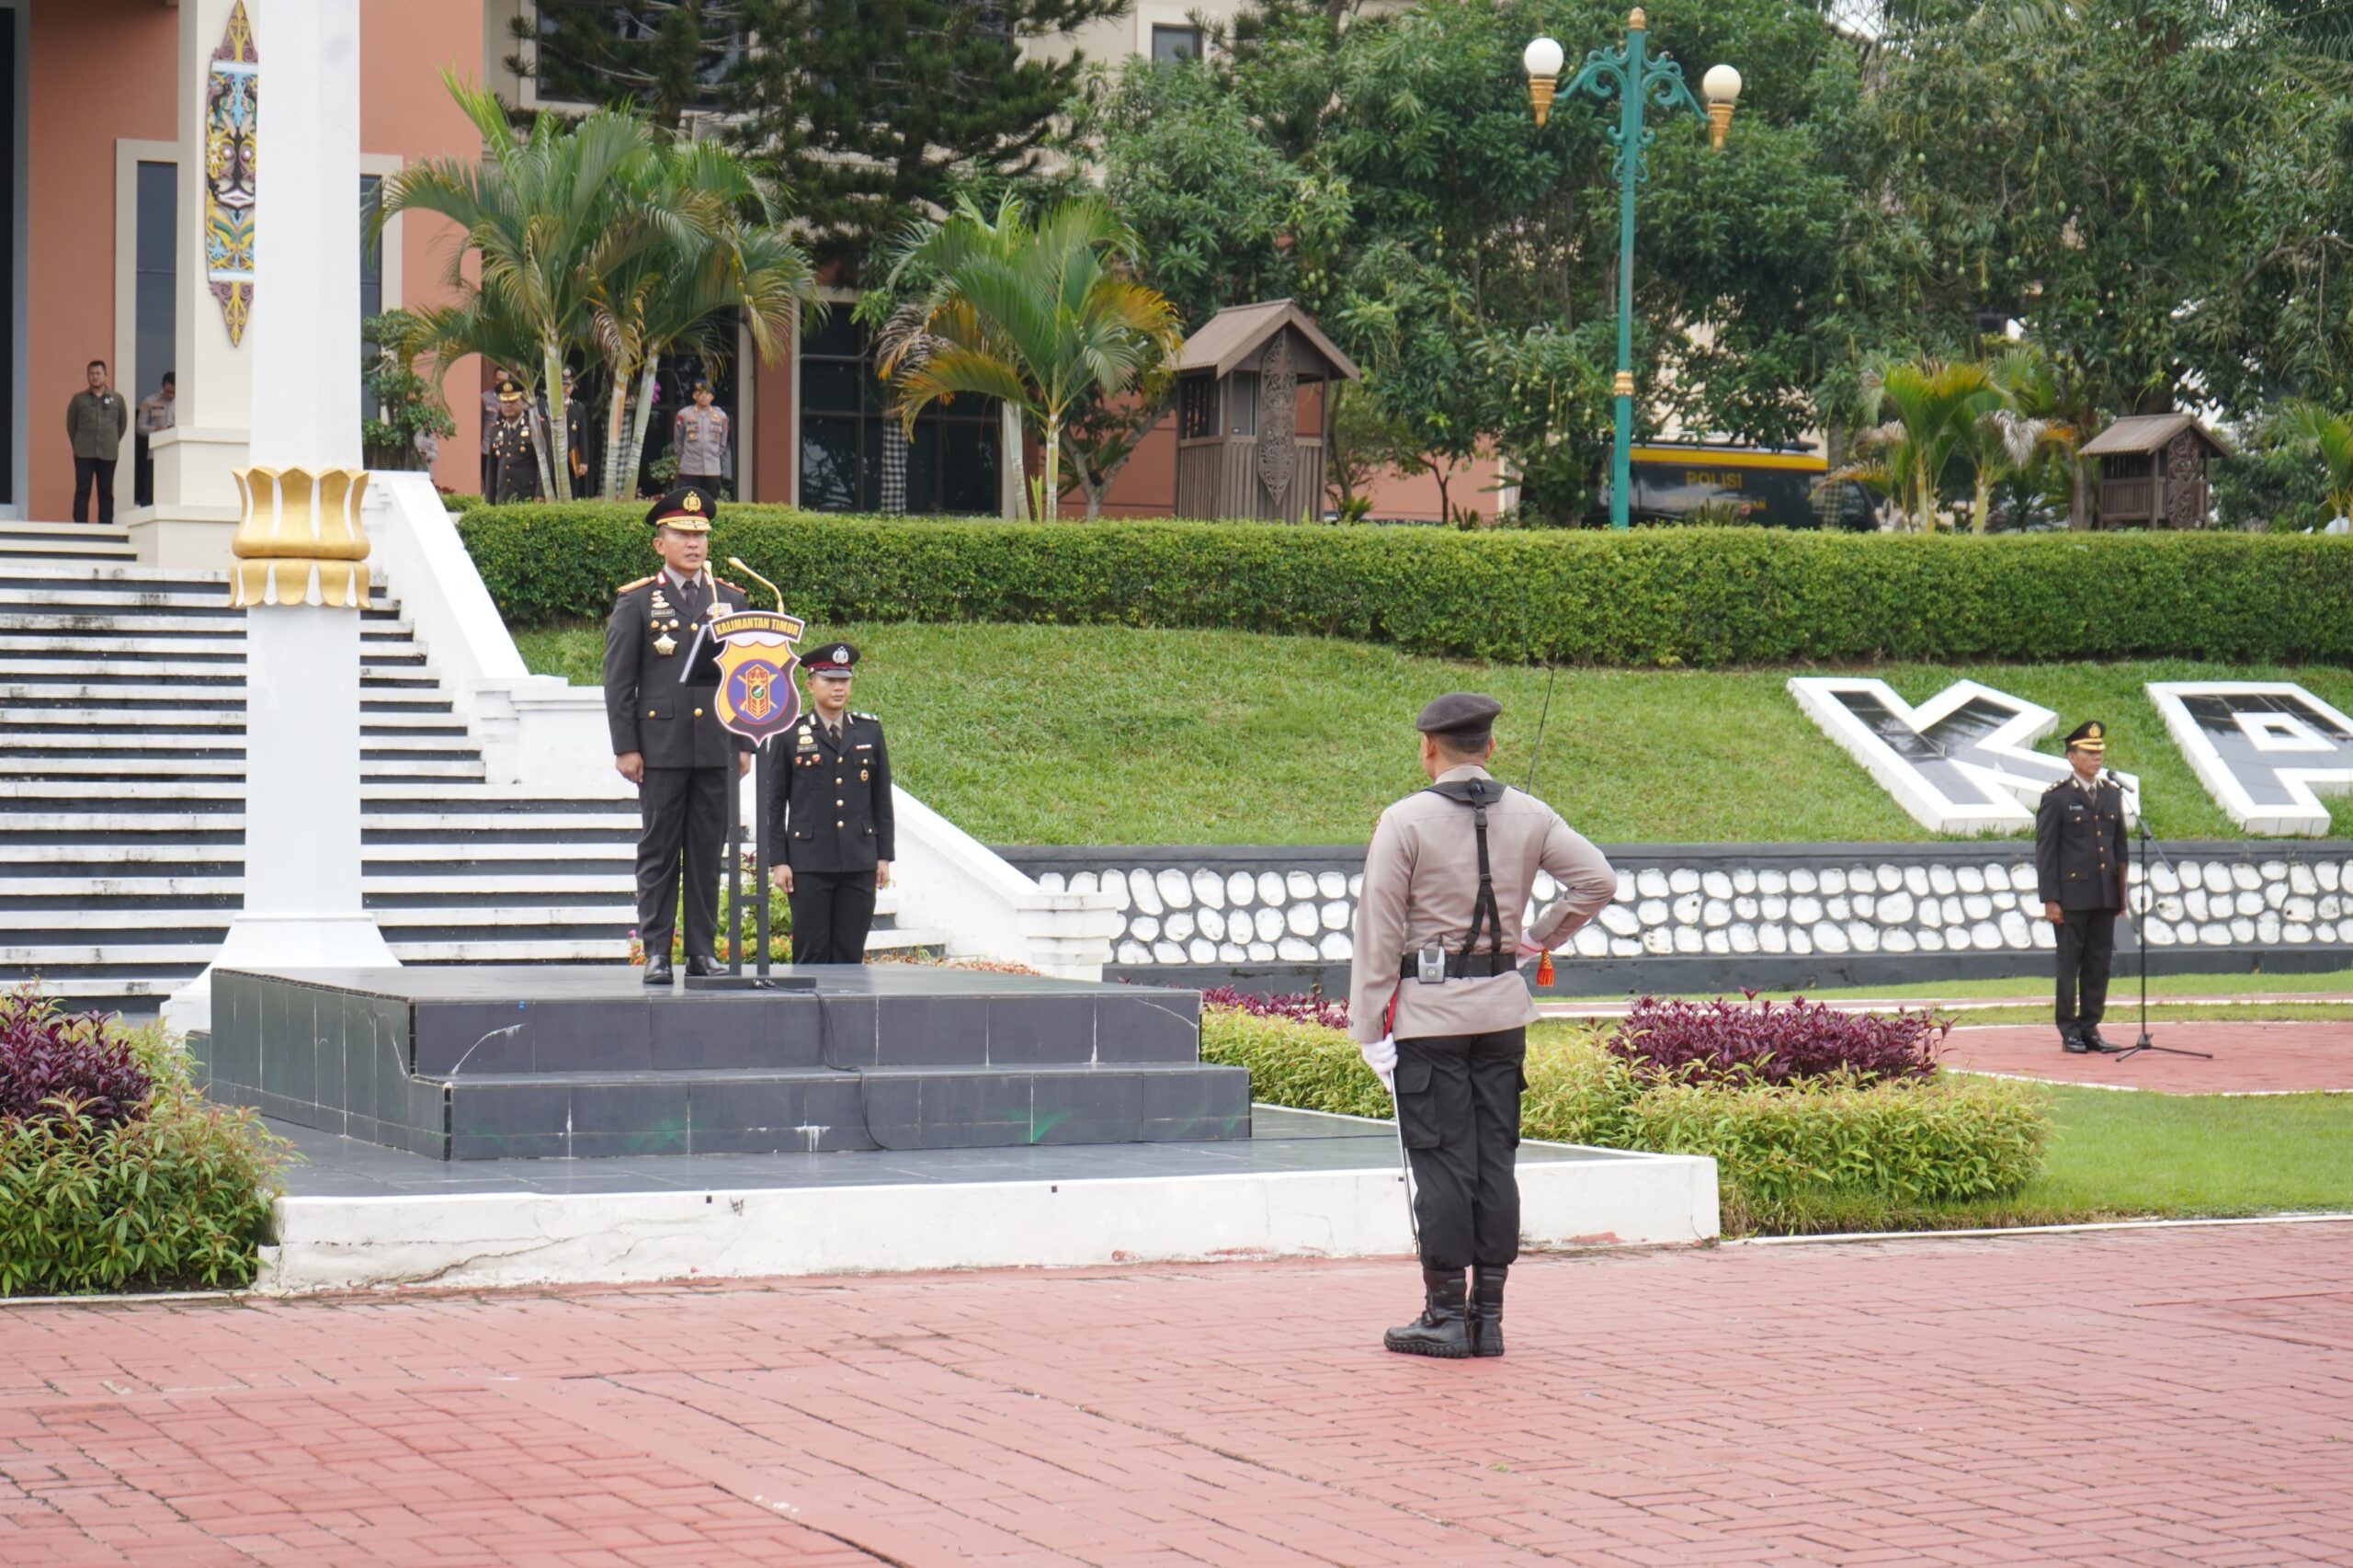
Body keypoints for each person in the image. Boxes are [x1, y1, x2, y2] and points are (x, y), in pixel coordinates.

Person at [1348, 693, 1618, 1360]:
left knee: (1441, 1163)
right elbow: (1597, 881)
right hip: (1501, 1014)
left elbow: (1379, 933)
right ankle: (1487, 1316)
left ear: (1428, 749)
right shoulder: (1533, 813)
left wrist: (1368, 1028)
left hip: (1428, 1018)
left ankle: (1444, 1315)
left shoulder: (1404, 820)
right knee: (1494, 1159)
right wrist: (1536, 937)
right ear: (1490, 747)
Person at [603, 485, 754, 984]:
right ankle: (656, 952)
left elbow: (748, 674)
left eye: (701, 535)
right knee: (660, 850)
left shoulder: (729, 599)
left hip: (715, 745)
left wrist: (745, 742)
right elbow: (620, 680)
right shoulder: (638, 601)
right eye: (682, 534)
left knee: (708, 852)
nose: (693, 544)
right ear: (659, 543)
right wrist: (626, 746)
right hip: (661, 748)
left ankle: (701, 952)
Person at [767, 644, 893, 964]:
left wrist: (883, 856)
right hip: (809, 862)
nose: (838, 688)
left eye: (845, 680)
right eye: (829, 680)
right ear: (810, 685)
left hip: (858, 859)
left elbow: (881, 799)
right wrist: (778, 861)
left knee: (850, 954)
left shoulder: (869, 731)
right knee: (811, 952)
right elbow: (773, 802)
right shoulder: (789, 733)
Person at [2037, 720, 2130, 1054]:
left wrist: (2121, 894)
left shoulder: (2111, 794)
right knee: (2069, 964)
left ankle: (2091, 1026)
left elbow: (2120, 848)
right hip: (2071, 897)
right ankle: (2069, 1030)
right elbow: (2046, 851)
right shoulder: (2058, 798)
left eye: (2100, 751)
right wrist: (2050, 899)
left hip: (2104, 895)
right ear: (2071, 757)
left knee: (2098, 963)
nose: (2097, 757)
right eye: (2089, 752)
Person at [67, 360, 129, 524]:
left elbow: (122, 425)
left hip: (108, 452)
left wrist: (113, 440)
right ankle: (80, 525)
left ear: (105, 375)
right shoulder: (79, 399)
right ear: (87, 376)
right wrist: (78, 443)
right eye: (91, 374)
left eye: (98, 373)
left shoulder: (117, 399)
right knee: (83, 489)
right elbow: (71, 425)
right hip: (83, 452)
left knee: (105, 491)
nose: (94, 377)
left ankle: (106, 525)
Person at [673, 381, 731, 497]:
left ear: (712, 396)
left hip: (712, 469)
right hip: (689, 468)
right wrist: (684, 458)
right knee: (688, 505)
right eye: (700, 392)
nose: (704, 396)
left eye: (707, 393)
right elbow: (678, 440)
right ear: (694, 396)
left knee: (710, 504)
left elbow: (723, 442)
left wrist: (714, 456)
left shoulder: (721, 416)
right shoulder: (684, 415)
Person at [486, 378, 540, 504]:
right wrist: (489, 500)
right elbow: (491, 469)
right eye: (504, 401)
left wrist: (540, 494)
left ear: (524, 402)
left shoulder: (534, 427)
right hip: (503, 495)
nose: (508, 405)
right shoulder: (496, 430)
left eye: (513, 401)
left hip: (527, 494)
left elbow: (543, 464)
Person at [133, 371, 176, 508]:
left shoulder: (185, 401)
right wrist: (155, 430)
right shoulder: (149, 401)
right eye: (168, 392)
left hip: (176, 454)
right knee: (150, 493)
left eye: (174, 392)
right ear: (162, 386)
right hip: (155, 455)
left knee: (173, 492)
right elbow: (139, 427)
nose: (171, 396)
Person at [560, 367, 594, 497]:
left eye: (569, 384)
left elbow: (583, 436)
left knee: (572, 492)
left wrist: (584, 461)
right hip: (553, 457)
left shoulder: (578, 408)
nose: (565, 387)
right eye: (563, 383)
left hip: (572, 457)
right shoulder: (546, 405)